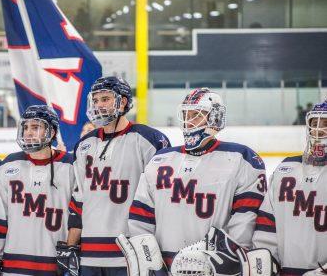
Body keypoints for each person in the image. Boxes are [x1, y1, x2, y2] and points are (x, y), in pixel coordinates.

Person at [125, 88, 266, 271]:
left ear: (215, 118)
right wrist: (148, 261)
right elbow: (141, 216)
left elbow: (244, 222)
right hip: (164, 266)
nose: (189, 122)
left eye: (196, 116)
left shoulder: (242, 159)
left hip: (212, 267)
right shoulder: (160, 159)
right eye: (186, 115)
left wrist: (225, 260)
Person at [65, 76, 170, 276]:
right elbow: (78, 201)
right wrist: (70, 248)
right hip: (90, 254)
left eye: (105, 99)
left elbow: (162, 200)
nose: (98, 105)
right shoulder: (84, 145)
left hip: (132, 253)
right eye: (95, 100)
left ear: (122, 102)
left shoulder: (149, 139)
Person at [0, 105, 75, 276]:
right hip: (13, 267)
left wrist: (75, 249)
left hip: (55, 266)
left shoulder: (71, 166)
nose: (28, 132)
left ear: (51, 132)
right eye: (26, 127)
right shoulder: (8, 165)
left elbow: (79, 217)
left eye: (35, 127)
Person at [252, 99, 327, 274]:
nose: (318, 129)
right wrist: (264, 261)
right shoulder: (286, 167)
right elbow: (267, 224)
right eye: (314, 123)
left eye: (325, 124)